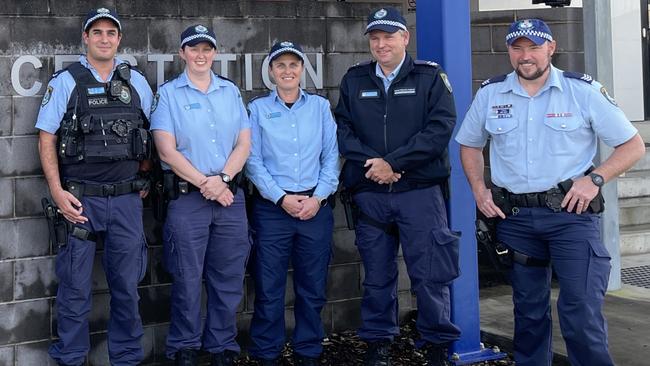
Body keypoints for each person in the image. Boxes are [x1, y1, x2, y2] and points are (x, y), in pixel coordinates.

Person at [455, 18, 645, 366]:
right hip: (514, 220)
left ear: (551, 48)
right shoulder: (491, 93)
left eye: (534, 47)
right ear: (509, 51)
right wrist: (478, 190)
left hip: (570, 219)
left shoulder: (582, 91)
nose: (525, 56)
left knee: (581, 312)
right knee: (527, 316)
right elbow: (469, 144)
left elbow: (632, 145)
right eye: (517, 47)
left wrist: (595, 179)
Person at [334, 6, 461, 366]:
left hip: (419, 193)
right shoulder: (355, 79)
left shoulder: (430, 78)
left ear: (405, 38)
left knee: (430, 275)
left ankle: (437, 344)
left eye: (389, 36)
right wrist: (377, 165)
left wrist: (395, 163)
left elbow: (439, 130)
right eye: (375, 38)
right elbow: (343, 130)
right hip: (371, 193)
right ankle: (378, 342)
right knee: (377, 276)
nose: (381, 44)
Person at [35, 7, 153, 366]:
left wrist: (144, 176)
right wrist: (57, 191)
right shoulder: (66, 81)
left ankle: (127, 358)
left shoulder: (137, 81)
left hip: (126, 201)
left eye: (111, 33)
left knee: (127, 289)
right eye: (97, 32)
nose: (104, 38)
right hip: (79, 202)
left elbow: (152, 133)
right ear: (85, 37)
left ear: (119, 39)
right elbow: (46, 138)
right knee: (74, 290)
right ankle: (71, 358)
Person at [150, 24, 251, 366]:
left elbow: (244, 144)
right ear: (182, 53)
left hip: (229, 199)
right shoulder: (168, 94)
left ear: (214, 53)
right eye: (193, 49)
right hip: (188, 200)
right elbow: (166, 150)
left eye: (206, 48)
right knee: (187, 279)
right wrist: (207, 184)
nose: (201, 54)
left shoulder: (230, 91)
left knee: (228, 279)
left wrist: (222, 179)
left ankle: (222, 346)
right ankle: (185, 347)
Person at [245, 41, 340, 366]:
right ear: (271, 71)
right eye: (280, 65)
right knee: (269, 290)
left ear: (302, 69)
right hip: (273, 210)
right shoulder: (257, 109)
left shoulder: (320, 107)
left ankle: (308, 352)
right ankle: (266, 353)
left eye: (293, 65)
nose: (287, 71)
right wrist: (281, 198)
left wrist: (318, 198)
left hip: (315, 209)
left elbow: (331, 158)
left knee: (312, 290)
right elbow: (252, 162)